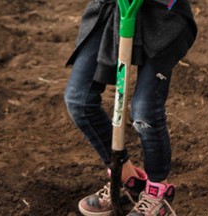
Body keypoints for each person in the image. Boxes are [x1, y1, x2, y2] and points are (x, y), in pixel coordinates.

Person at [64, 0, 197, 215]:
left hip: (162, 14)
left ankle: (157, 192)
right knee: (79, 100)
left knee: (144, 112)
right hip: (113, 9)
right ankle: (126, 178)